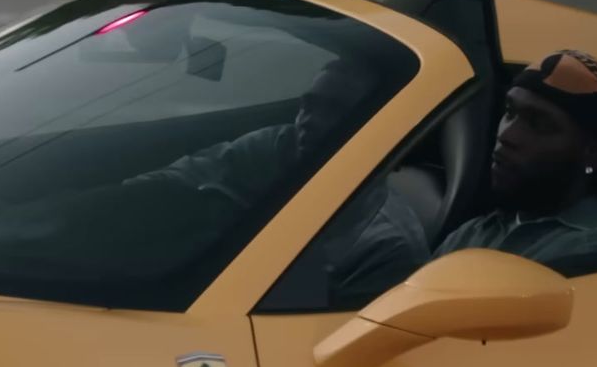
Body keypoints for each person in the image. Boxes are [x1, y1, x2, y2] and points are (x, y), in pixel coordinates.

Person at [126, 59, 429, 300]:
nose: (308, 121)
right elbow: (174, 179)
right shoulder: (277, 147)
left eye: (334, 110)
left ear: (373, 128)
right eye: (308, 105)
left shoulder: (388, 247)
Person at [432, 49, 597, 264]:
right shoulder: (474, 231)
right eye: (509, 112)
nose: (507, 135)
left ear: (591, 155)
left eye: (538, 124)